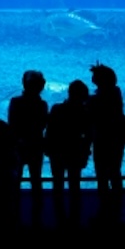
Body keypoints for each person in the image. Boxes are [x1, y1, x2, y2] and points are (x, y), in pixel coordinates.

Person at [88, 62, 125, 224]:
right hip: (115, 140)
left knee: (104, 176)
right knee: (114, 173)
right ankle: (115, 210)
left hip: (103, 140)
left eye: (96, 77)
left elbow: (92, 114)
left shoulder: (99, 99)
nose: (93, 79)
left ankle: (106, 210)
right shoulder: (115, 95)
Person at [45, 80, 90, 227]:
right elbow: (87, 135)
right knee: (74, 187)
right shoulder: (84, 112)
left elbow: (49, 132)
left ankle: (60, 220)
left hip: (57, 153)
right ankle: (74, 220)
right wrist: (85, 152)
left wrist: (48, 149)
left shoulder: (57, 109)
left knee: (58, 185)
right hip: (74, 153)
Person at [6, 70, 48, 228]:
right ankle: (37, 219)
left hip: (18, 146)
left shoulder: (16, 102)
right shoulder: (42, 104)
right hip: (36, 146)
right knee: (36, 181)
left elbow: (11, 124)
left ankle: (13, 217)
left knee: (15, 182)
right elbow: (43, 125)